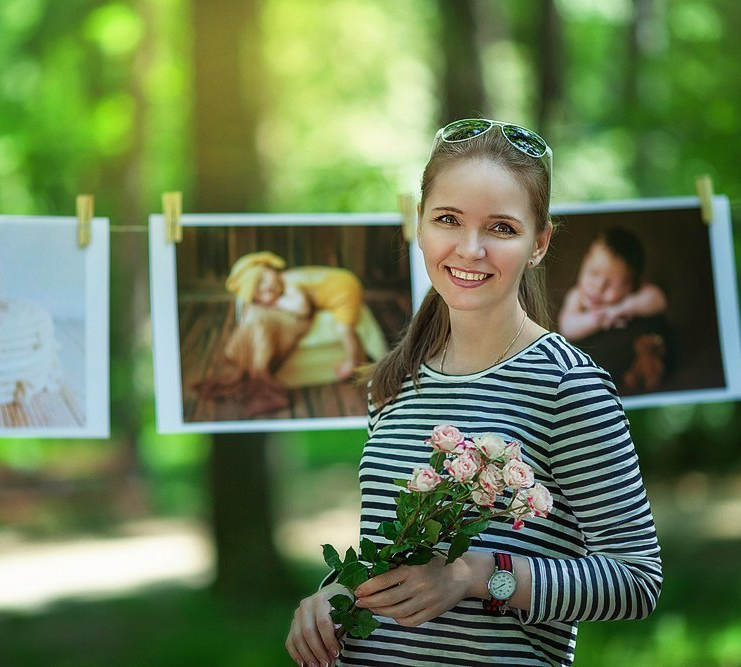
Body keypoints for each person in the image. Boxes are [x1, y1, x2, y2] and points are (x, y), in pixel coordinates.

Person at [285, 118, 662, 666]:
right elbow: (394, 555)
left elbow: (636, 581)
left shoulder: (567, 385)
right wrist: (333, 594)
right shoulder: (395, 381)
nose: (470, 248)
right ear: (419, 225)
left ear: (540, 243)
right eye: (447, 219)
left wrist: (479, 576)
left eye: (502, 229)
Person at [196, 252, 366, 417]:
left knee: (344, 328)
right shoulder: (283, 280)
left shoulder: (289, 281)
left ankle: (352, 361)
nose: (266, 287)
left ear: (269, 268)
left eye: (262, 279)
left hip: (344, 289)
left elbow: (302, 307)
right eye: (260, 293)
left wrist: (276, 301)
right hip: (339, 278)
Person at [557, 228, 673, 392]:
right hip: (600, 359)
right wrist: (597, 319)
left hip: (634, 346)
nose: (598, 287)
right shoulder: (576, 295)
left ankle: (645, 367)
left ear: (630, 286)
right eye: (593, 273)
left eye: (611, 284)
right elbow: (567, 327)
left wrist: (623, 308)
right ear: (585, 261)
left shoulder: (632, 296)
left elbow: (659, 300)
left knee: (660, 331)